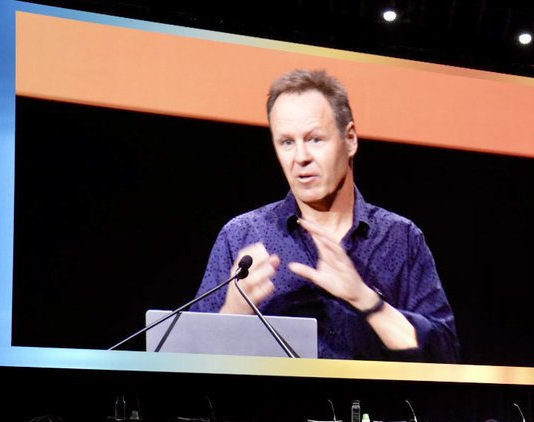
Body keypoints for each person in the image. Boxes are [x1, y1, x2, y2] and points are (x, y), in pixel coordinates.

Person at [192, 69, 459, 362]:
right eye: (287, 142)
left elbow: (445, 356)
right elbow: (185, 363)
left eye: (315, 139)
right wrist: (232, 313)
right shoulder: (242, 235)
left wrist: (364, 298)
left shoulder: (400, 237)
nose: (300, 157)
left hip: (373, 406)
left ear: (351, 140)